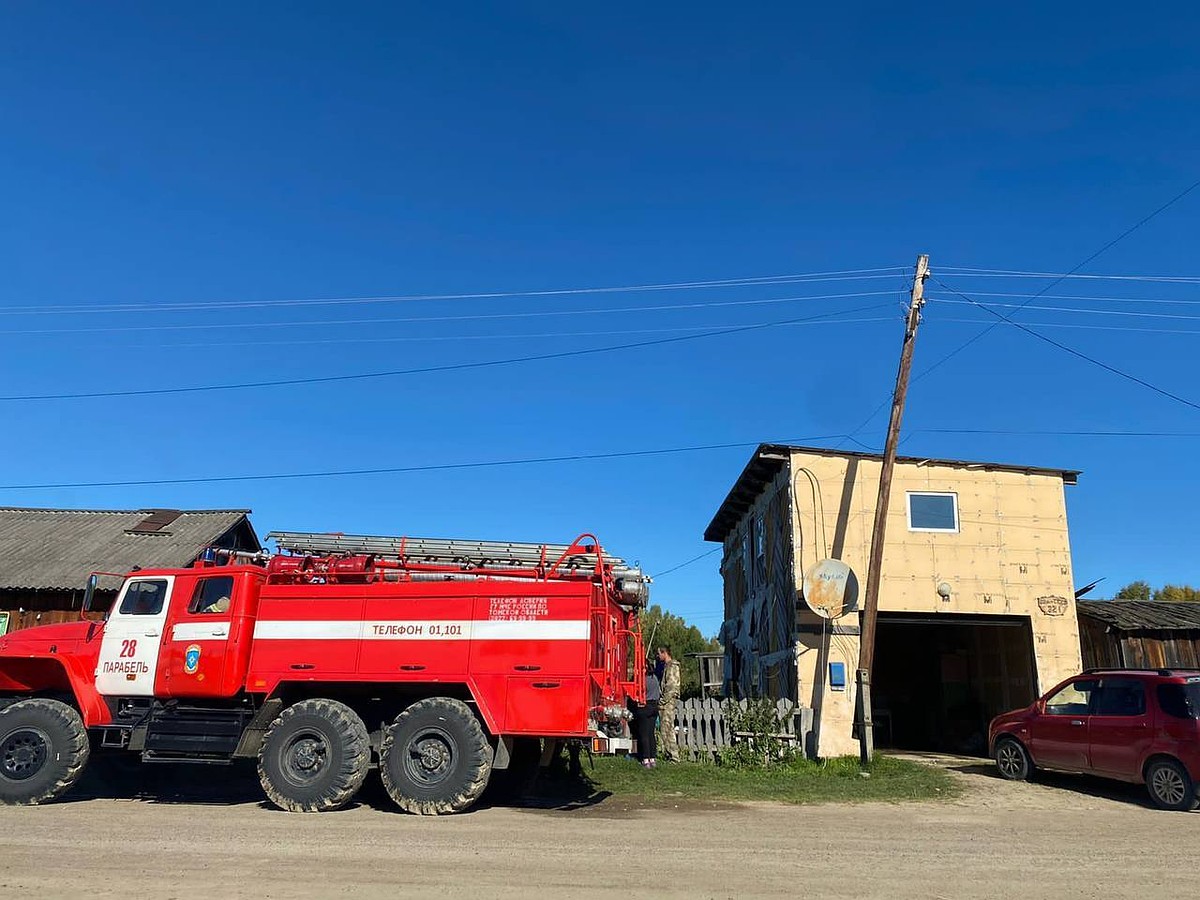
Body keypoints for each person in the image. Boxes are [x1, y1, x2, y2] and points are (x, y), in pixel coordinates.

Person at [630, 661, 660, 768]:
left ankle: (646, 758)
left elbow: (636, 693)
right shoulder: (654, 678)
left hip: (645, 707)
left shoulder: (642, 680)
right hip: (654, 707)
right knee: (651, 733)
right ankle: (653, 758)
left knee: (644, 734)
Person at [656, 645, 681, 762]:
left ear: (664, 653)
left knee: (667, 728)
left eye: (659, 653)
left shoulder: (672, 666)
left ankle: (674, 756)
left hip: (668, 702)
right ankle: (669, 753)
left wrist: (663, 701)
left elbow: (671, 686)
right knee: (664, 728)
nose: (658, 656)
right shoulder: (666, 666)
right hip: (666, 701)